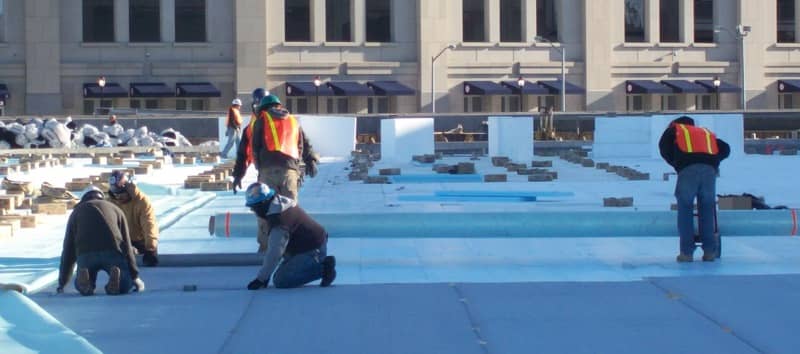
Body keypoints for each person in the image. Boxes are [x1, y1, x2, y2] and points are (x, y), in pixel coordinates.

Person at [232, 93, 319, 252]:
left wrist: (241, 173)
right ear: (279, 105)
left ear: (262, 107)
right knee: (291, 212)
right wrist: (310, 160)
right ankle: (293, 251)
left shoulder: (261, 120)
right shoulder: (293, 120)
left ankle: (266, 250)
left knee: (265, 210)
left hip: (268, 171)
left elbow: (251, 149)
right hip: (290, 172)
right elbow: (304, 143)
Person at [659, 116, 730, 262]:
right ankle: (710, 251)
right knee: (707, 208)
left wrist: (678, 162)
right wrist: (713, 161)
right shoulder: (704, 133)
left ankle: (687, 252)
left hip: (688, 170)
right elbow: (725, 148)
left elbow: (664, 148)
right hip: (709, 171)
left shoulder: (675, 130)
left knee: (685, 208)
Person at [243, 182, 336, 289]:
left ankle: (324, 269)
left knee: (281, 280)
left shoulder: (279, 220)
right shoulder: (278, 202)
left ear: (262, 204)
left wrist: (261, 279)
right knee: (283, 268)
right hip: (312, 244)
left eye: (253, 208)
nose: (253, 211)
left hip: (312, 249)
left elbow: (275, 252)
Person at [57, 187, 145, 296]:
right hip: (112, 251)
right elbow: (126, 244)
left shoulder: (76, 213)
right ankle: (117, 284)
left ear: (83, 199)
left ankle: (85, 283)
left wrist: (62, 283)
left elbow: (68, 249)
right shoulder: (115, 209)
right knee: (125, 282)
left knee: (84, 276)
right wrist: (135, 276)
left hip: (86, 254)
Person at [106, 170, 160, 266]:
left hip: (140, 242)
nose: (118, 197)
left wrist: (151, 248)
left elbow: (149, 224)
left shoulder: (142, 201)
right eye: (116, 194)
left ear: (129, 188)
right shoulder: (110, 202)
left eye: (121, 193)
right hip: (120, 242)